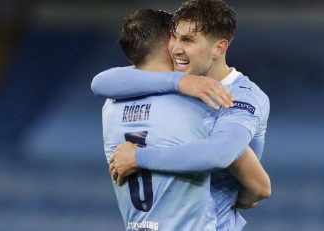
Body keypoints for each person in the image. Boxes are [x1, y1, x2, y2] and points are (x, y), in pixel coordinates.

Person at [93, 2, 270, 231]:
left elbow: (220, 155)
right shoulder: (173, 82)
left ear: (219, 48)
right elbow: (101, 82)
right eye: (174, 38)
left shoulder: (241, 97)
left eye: (188, 40)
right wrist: (179, 82)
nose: (175, 48)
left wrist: (139, 158)